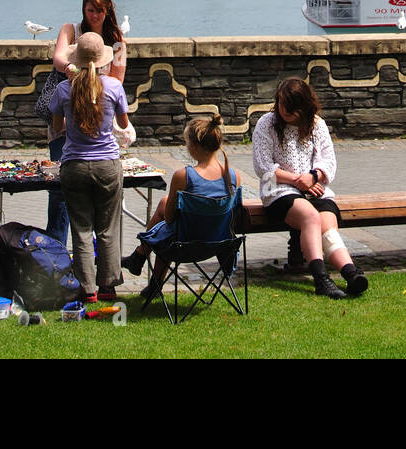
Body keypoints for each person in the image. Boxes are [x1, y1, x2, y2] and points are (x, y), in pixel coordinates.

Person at [251, 78, 367, 299]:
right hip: (277, 190)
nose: (285, 110)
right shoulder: (266, 124)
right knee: (310, 217)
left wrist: (313, 176)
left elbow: (328, 163)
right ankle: (321, 279)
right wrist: (298, 180)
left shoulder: (317, 124)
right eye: (282, 104)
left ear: (304, 106)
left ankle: (351, 274)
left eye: (291, 106)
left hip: (313, 187)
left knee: (328, 227)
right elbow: (263, 166)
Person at [42, 32, 129, 303]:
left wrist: (75, 122)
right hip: (107, 165)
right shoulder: (113, 86)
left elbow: (56, 128)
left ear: (76, 60)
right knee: (107, 229)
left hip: (75, 165)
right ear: (102, 60)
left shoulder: (64, 89)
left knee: (80, 229)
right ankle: (108, 286)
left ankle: (87, 288)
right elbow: (124, 124)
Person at [121, 114, 241, 298]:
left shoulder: (183, 176)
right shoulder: (233, 176)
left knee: (166, 225)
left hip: (184, 245)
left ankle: (140, 258)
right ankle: (145, 270)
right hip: (219, 244)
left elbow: (169, 219)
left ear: (193, 146)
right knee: (169, 225)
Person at [45, 0, 128, 244]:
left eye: (99, 10)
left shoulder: (117, 41)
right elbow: (59, 57)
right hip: (67, 116)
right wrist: (72, 70)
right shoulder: (71, 30)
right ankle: (57, 246)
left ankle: (90, 248)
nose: (94, 15)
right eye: (90, 10)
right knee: (59, 188)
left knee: (92, 192)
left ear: (108, 11)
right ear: (84, 9)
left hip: (97, 122)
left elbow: (118, 78)